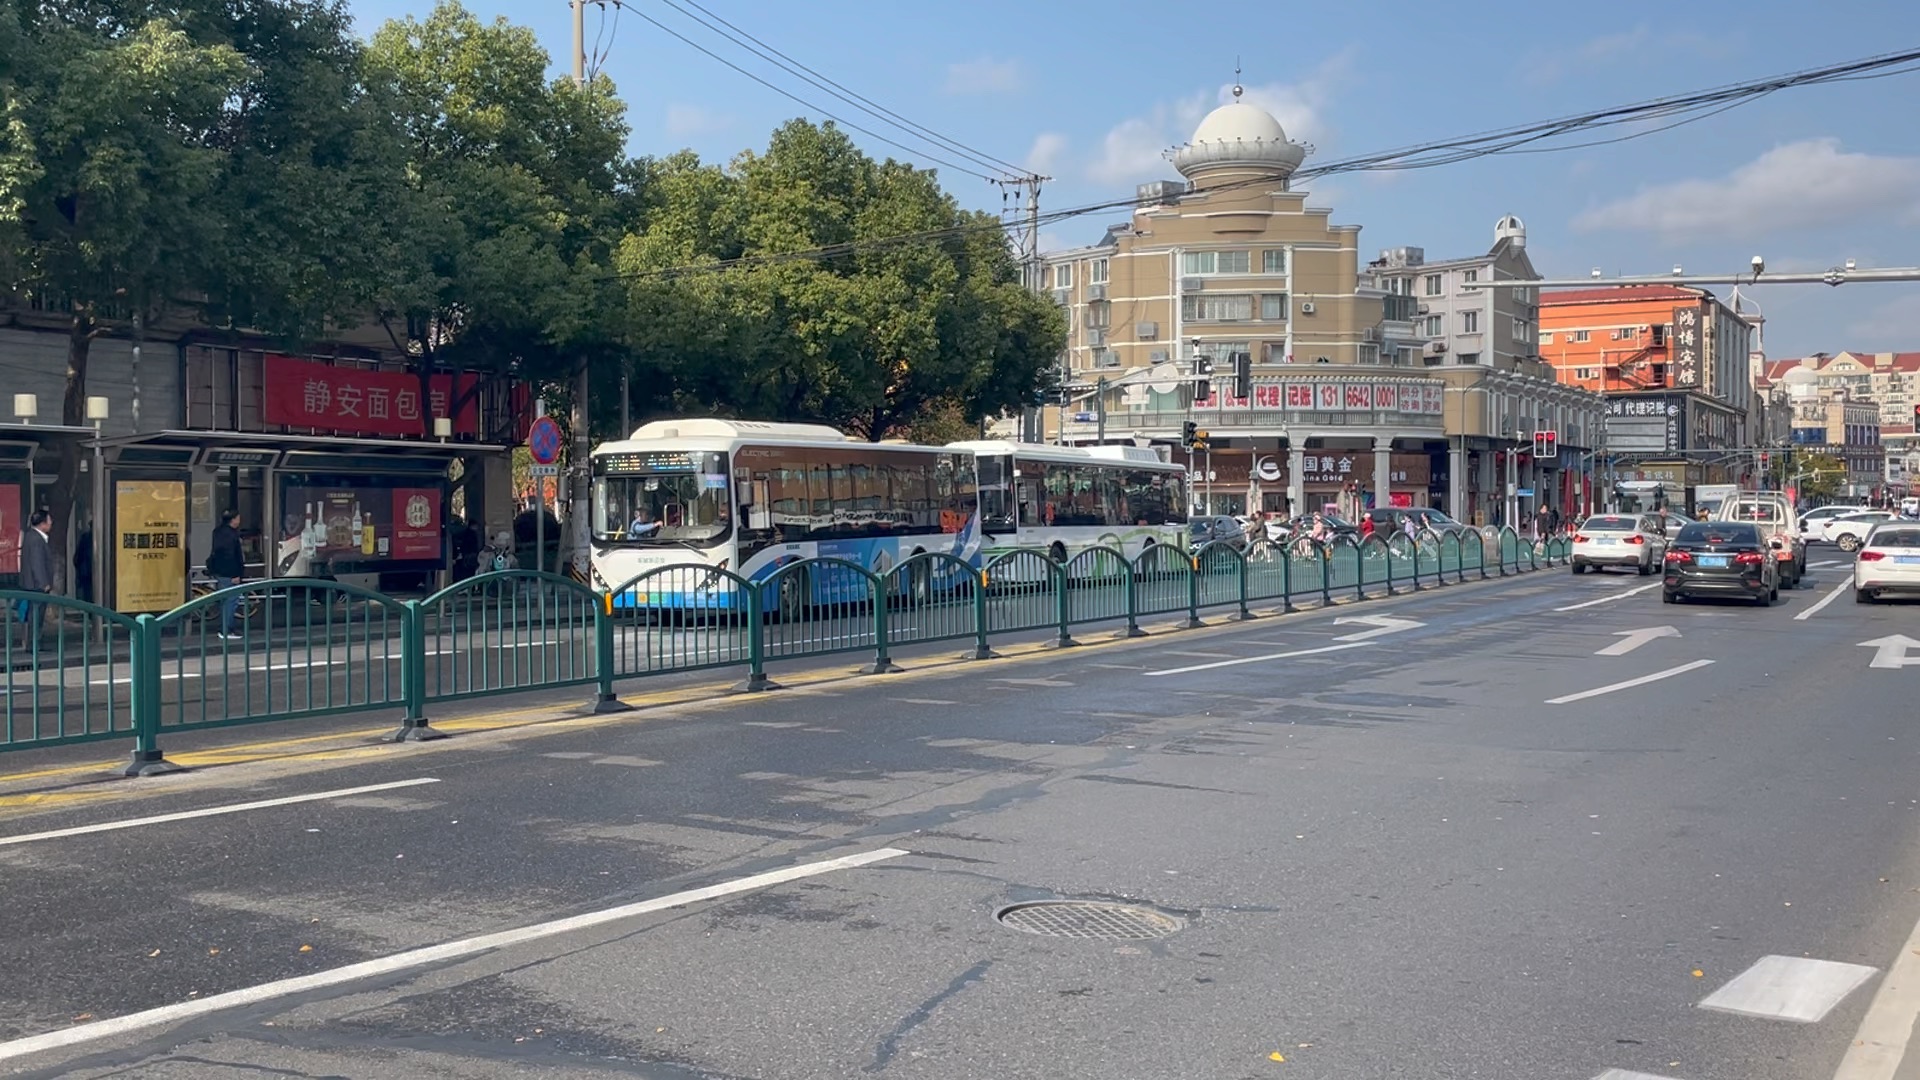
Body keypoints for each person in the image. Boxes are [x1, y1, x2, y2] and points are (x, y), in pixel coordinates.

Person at [206, 509, 247, 639]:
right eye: (238, 518)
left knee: (225, 600)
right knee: (231, 600)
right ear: (233, 519)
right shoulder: (231, 535)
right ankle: (226, 630)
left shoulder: (217, 532)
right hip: (229, 573)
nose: (239, 521)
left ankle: (226, 628)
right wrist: (235, 573)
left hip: (219, 571)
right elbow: (230, 555)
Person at [17, 509, 53, 645]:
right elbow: (37, 563)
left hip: (32, 583)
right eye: (49, 521)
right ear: (42, 524)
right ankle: (34, 643)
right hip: (36, 585)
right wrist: (44, 583)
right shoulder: (37, 539)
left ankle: (35, 641)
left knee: (35, 614)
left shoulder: (30, 536)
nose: (51, 523)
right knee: (36, 614)